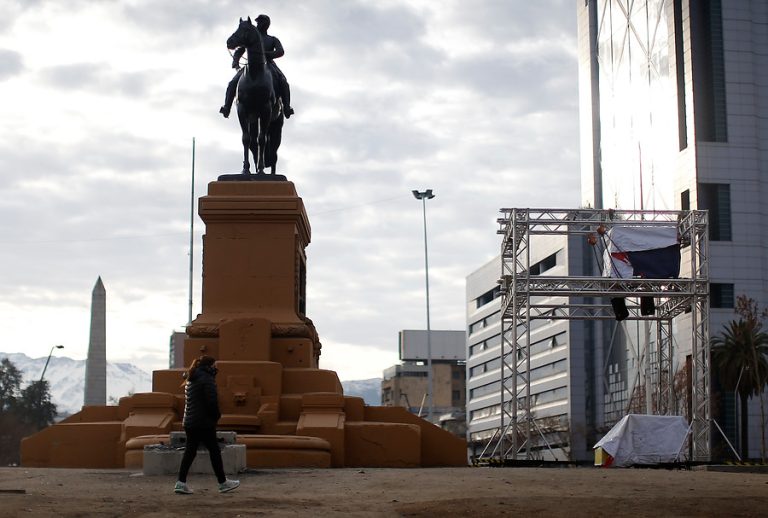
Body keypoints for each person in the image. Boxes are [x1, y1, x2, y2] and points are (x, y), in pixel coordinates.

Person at [174, 355, 240, 495]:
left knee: (190, 452)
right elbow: (211, 402)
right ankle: (223, 483)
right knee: (214, 451)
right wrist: (216, 417)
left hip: (190, 421)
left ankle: (180, 483)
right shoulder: (207, 379)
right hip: (203, 422)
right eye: (215, 365)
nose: (217, 367)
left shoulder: (192, 377)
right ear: (210, 366)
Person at [220, 14, 295, 119]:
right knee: (233, 82)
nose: (259, 24)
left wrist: (267, 54)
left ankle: (287, 107)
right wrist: (235, 61)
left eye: (261, 22)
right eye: (258, 22)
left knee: (283, 81)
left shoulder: (272, 39)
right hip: (250, 65)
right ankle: (226, 107)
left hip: (269, 64)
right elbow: (240, 50)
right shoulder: (251, 37)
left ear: (266, 24)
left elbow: (280, 51)